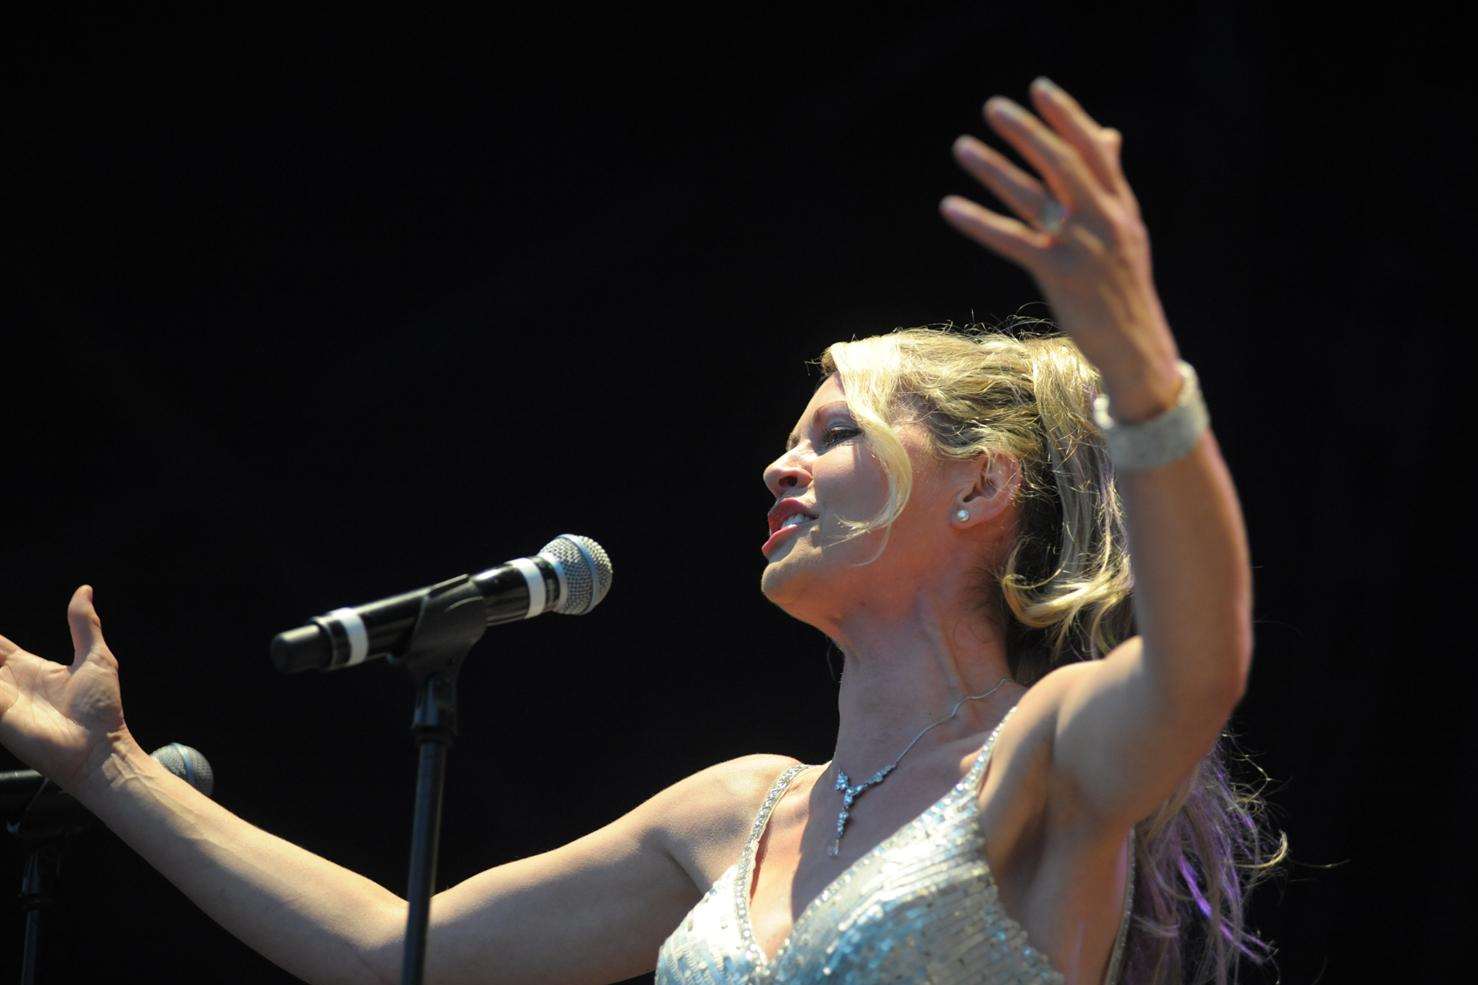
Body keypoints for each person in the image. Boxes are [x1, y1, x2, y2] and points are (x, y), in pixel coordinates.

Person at [0, 77, 1285, 985]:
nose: (781, 464)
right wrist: (102, 764)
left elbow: (1199, 657)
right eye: (793, 436)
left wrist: (1138, 366)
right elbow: (387, 950)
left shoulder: (1041, 759)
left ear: (977, 489)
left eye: (834, 433)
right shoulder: (734, 813)